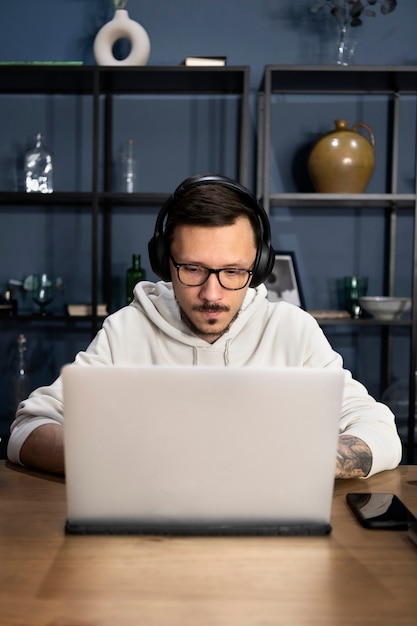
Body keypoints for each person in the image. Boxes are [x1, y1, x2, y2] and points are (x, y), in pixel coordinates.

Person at [7, 174, 402, 477]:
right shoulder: (126, 330)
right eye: (193, 269)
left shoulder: (291, 330)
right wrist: (114, 459)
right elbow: (28, 429)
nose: (212, 294)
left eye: (233, 271)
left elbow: (380, 432)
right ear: (165, 261)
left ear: (260, 266)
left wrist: (299, 464)